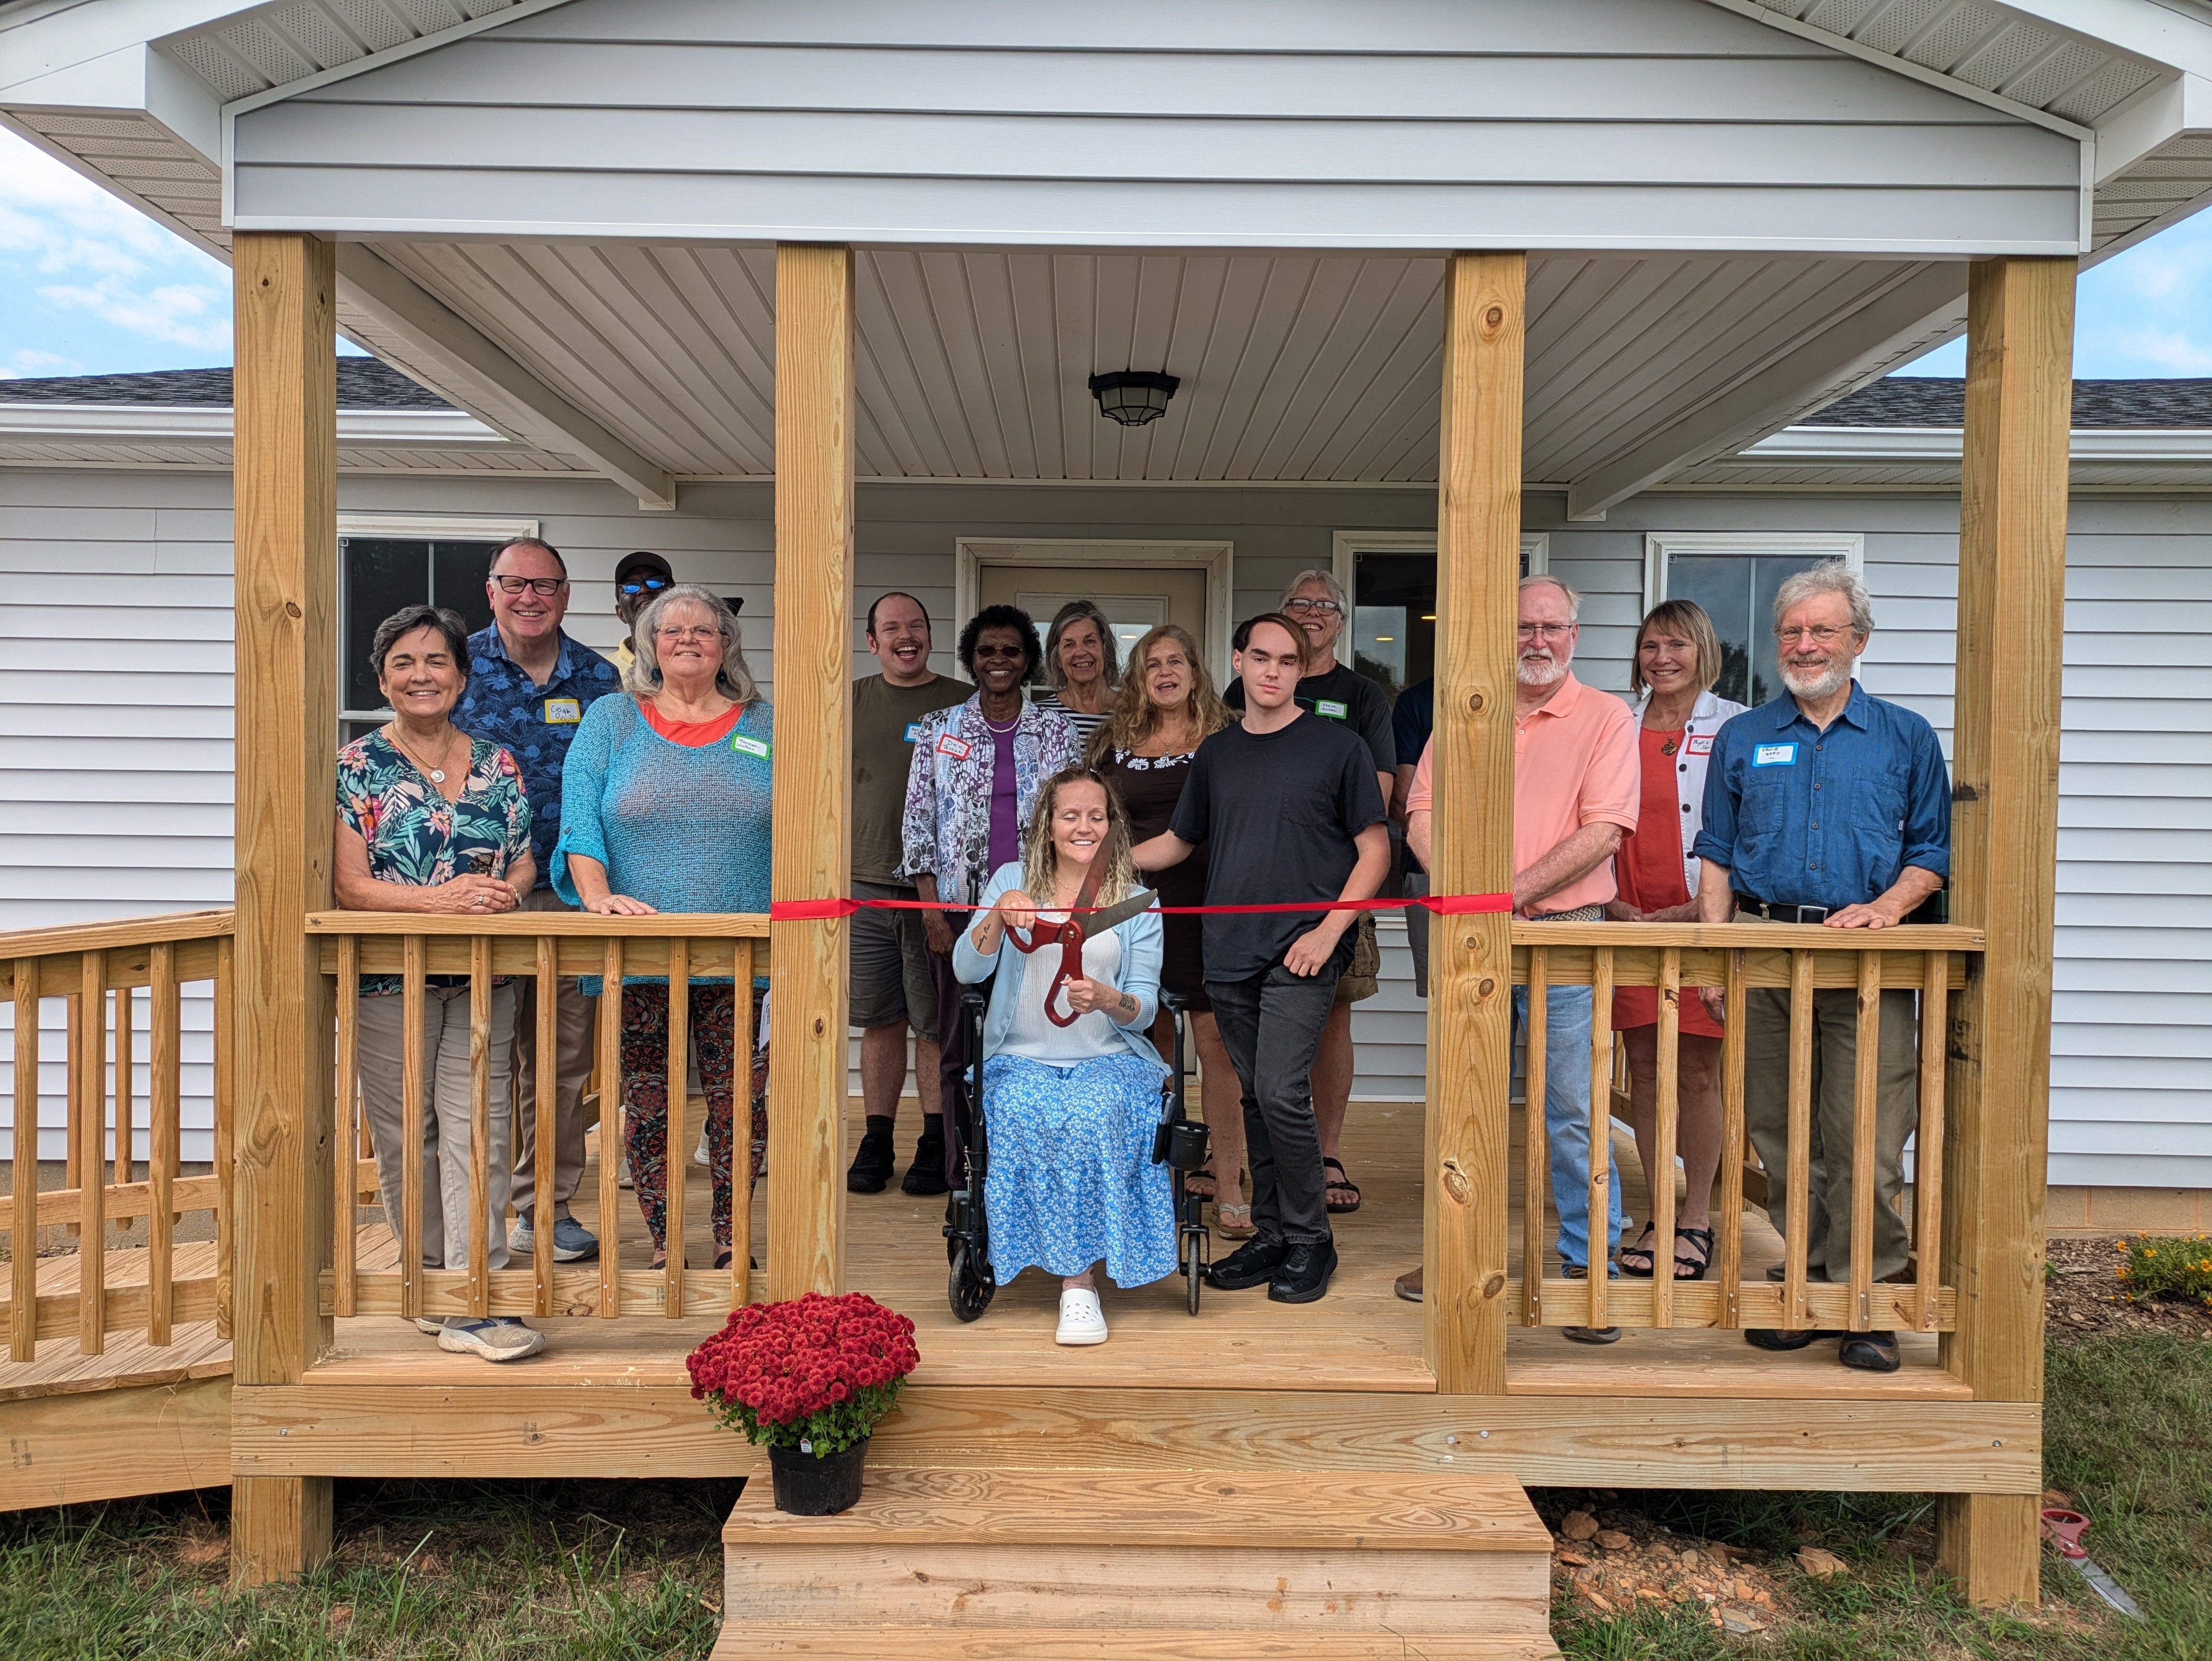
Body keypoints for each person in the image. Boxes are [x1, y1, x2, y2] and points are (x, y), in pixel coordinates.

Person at [1693, 562, 1950, 1375]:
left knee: (1865, 1141)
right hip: (1763, 952)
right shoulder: (1744, 736)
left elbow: (1931, 852)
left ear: (1857, 641)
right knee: (1776, 1134)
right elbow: (1716, 857)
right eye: (1790, 632)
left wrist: (1890, 906)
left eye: (1820, 631)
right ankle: (1806, 1286)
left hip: (1865, 964)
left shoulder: (1904, 737)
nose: (1803, 645)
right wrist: (1712, 957)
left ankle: (1865, 1304)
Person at [1398, 575, 1638, 1343]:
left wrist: (1507, 895)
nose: (1537, 641)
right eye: (1523, 627)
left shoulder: (1605, 717)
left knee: (1571, 1109)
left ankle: (1587, 1266)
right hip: (1475, 939)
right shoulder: (1470, 708)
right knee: (1462, 1103)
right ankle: (1456, 1258)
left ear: (1575, 635)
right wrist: (1473, 895)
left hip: (1565, 936)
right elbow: (1420, 815)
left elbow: (1604, 830)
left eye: (1551, 627)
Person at [1132, 613, 1390, 1305]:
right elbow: (1177, 844)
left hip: (1304, 951)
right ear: (1239, 662)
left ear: (1302, 671)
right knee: (1253, 1097)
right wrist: (1090, 867)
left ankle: (1311, 1240)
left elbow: (1376, 852)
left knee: (1280, 1090)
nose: (1274, 671)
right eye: (1261, 657)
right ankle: (1274, 1231)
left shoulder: (1339, 749)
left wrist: (1329, 933)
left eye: (1288, 661)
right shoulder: (1217, 755)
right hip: (1229, 953)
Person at [334, 606, 544, 1362]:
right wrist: (441, 899)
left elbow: (522, 857)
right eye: (404, 663)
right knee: (404, 1135)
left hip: (485, 976)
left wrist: (510, 893)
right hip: (391, 980)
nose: (421, 676)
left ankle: (473, 1297)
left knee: (481, 1130)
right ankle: (427, 1281)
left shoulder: (498, 762)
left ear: (461, 677)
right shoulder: (354, 768)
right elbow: (349, 886)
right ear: (382, 678)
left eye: (436, 663)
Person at [553, 585, 772, 1272]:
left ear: (726, 645)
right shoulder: (612, 720)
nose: (686, 640)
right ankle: (662, 1239)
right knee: (646, 1103)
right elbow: (580, 818)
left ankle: (733, 1237)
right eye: (670, 630)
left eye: (703, 630)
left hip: (745, 952)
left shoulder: (766, 724)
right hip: (639, 949)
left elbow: (803, 826)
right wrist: (597, 897)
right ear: (648, 643)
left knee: (741, 1105)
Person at [954, 768, 1175, 1346]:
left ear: (1112, 825)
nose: (1084, 826)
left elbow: (1145, 1009)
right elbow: (965, 970)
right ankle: (1057, 1266)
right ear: (1047, 826)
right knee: (1027, 1109)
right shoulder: (1011, 879)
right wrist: (996, 916)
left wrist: (1108, 998)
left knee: (1093, 1112)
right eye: (1070, 815)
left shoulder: (1134, 900)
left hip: (1108, 1056)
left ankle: (1078, 1286)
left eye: (1096, 816)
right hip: (1020, 1057)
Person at [451, 535, 622, 1267]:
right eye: (515, 584)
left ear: (564, 595)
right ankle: (472, 1212)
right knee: (480, 1055)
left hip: (569, 893)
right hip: (475, 897)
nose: (530, 597)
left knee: (559, 1060)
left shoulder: (598, 678)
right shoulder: (453, 666)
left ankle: (544, 1209)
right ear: (490, 590)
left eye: (545, 585)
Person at [1225, 570, 1394, 1216]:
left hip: (1336, 892)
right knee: (1250, 1048)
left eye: (1327, 606)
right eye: (1301, 603)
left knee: (1332, 1019)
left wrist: (1307, 833)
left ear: (1341, 622)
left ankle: (1325, 1154)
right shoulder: (1239, 695)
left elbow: (1378, 797)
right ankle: (1247, 1165)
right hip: (1251, 904)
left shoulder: (1361, 694)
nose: (1314, 613)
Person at [1090, 624, 1251, 1236]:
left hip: (1208, 904)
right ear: (1138, 676)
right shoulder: (1115, 738)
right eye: (1152, 663)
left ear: (1194, 670)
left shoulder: (1228, 736)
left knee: (1215, 1047)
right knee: (1145, 1040)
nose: (1164, 671)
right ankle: (1150, 1179)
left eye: (1176, 660)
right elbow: (1097, 819)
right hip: (1134, 905)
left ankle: (1231, 1182)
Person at [1604, 600, 1746, 1283]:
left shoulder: (1735, 726)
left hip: (1699, 923)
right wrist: (1611, 902)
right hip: (1627, 920)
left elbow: (1753, 827)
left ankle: (1696, 1219)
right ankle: (1658, 1211)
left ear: (1703, 652)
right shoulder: (1615, 724)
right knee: (1647, 1069)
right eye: (1651, 645)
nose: (1662, 657)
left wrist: (1704, 906)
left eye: (1678, 645)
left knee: (1695, 1072)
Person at [901, 605, 1079, 1146]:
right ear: (971, 660)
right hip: (960, 911)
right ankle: (964, 1173)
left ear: (1027, 661)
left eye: (1011, 651)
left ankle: (1022, 1159)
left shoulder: (1055, 729)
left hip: (1037, 907)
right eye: (987, 651)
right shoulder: (939, 727)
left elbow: (1073, 820)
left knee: (1031, 1039)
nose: (998, 660)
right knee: (958, 1044)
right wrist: (931, 910)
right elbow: (917, 823)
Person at [845, 592, 969, 1196]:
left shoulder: (960, 704)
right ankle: (876, 1136)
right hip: (863, 885)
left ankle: (935, 1135)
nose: (905, 636)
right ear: (872, 641)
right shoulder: (850, 701)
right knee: (878, 1019)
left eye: (915, 625)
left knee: (931, 1022)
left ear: (929, 634)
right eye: (890, 627)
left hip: (936, 893)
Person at [1390, 675, 1437, 998]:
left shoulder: (1536, 697)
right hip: (1429, 868)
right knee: (1446, 1000)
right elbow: (1403, 801)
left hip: (1526, 874)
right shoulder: (1419, 701)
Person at [1030, 599, 1119, 746]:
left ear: (1105, 649)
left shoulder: (1132, 712)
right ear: (1058, 659)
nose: (1080, 652)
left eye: (1090, 641)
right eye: (1069, 645)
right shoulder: (1039, 716)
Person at [611, 550, 674, 677]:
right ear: (621, 614)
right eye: (630, 586)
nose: (644, 590)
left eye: (656, 582)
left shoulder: (695, 661)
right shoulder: (604, 670)